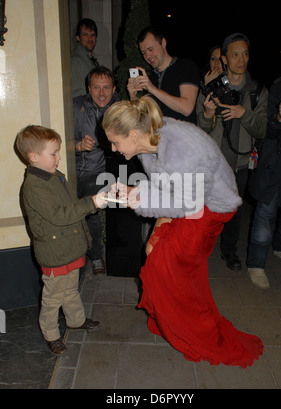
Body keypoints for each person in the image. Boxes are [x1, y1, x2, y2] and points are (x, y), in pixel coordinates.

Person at [102, 95, 264, 367]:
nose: (113, 148)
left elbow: (188, 204)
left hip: (211, 207)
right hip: (191, 200)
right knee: (155, 252)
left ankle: (201, 333)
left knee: (170, 269)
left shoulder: (182, 152)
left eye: (115, 142)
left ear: (132, 135)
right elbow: (169, 187)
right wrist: (137, 192)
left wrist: (140, 199)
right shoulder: (147, 141)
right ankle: (170, 320)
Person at [15, 125, 107, 355]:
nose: (58, 157)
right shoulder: (34, 186)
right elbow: (60, 215)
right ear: (34, 157)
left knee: (70, 290)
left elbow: (68, 208)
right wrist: (91, 203)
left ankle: (76, 320)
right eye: (53, 153)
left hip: (68, 247)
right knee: (53, 297)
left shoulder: (54, 176)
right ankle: (51, 334)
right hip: (55, 252)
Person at [197, 33, 268, 271]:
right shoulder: (212, 87)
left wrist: (243, 113)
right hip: (214, 162)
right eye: (235, 54)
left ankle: (229, 251)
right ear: (225, 59)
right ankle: (201, 251)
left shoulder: (257, 91)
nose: (241, 59)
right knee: (206, 209)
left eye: (245, 53)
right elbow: (200, 128)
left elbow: (262, 129)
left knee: (234, 212)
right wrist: (207, 114)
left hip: (240, 163)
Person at [247, 67, 281, 289]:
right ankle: (256, 264)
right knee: (265, 215)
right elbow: (266, 130)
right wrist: (280, 116)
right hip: (276, 161)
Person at [74, 66, 120, 275]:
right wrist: (77, 146)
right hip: (85, 171)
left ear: (114, 88)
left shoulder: (121, 108)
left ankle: (109, 255)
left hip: (116, 171)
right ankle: (93, 254)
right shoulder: (76, 107)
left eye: (106, 88)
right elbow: (58, 139)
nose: (102, 93)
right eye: (96, 87)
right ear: (88, 89)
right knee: (89, 202)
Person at [127, 26, 200, 124]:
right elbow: (143, 121)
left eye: (151, 49)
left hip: (184, 137)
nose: (148, 56)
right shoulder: (150, 78)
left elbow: (187, 108)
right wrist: (133, 97)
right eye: (143, 53)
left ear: (163, 43)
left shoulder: (185, 66)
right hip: (159, 138)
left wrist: (153, 89)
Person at [71, 18, 99, 97]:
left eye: (92, 35)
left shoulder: (92, 60)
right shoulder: (75, 61)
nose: (90, 39)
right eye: (85, 35)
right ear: (78, 37)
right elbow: (76, 94)